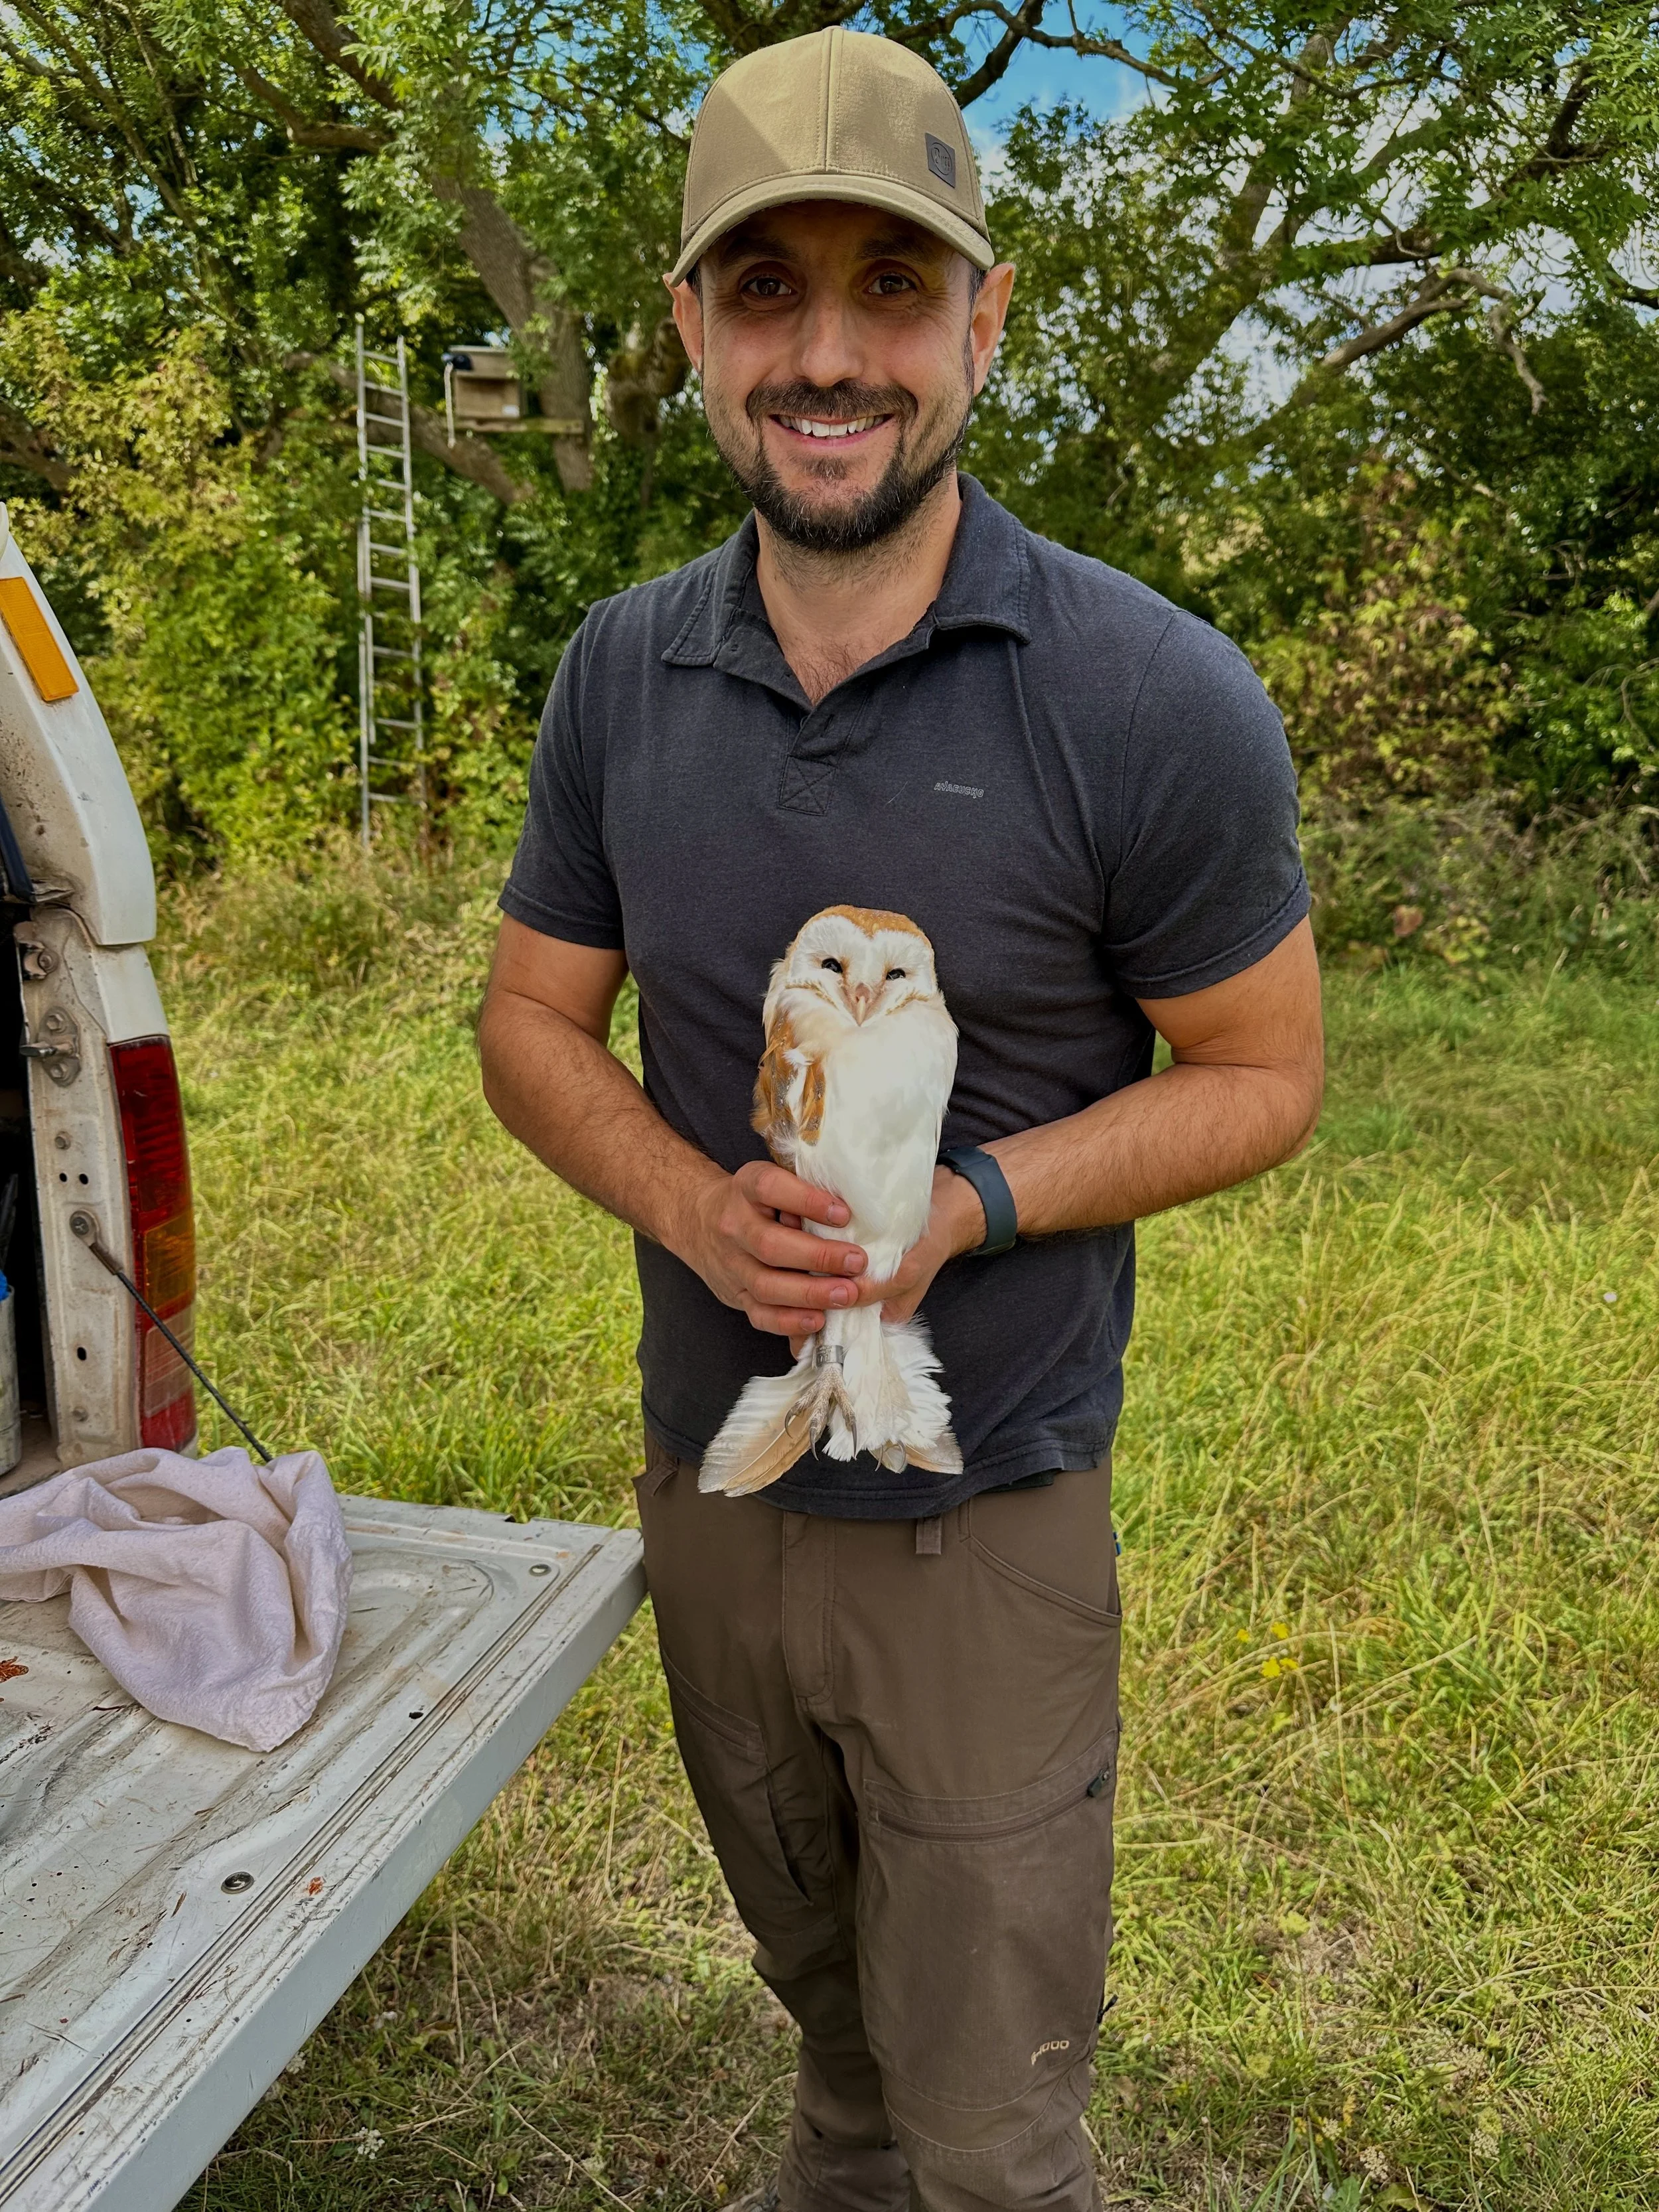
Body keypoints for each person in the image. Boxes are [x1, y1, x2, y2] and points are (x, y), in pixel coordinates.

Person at [479, 26, 1325, 2212]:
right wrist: (683, 1198)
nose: (827, 353)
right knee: (833, 2033)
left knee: (987, 2125)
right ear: (685, 326)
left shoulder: (1146, 698)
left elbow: (1265, 1073)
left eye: (889, 285)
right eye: (765, 290)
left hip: (977, 1521)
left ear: (986, 315)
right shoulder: (618, 677)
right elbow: (526, 1026)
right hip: (715, 1493)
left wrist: (971, 1201)